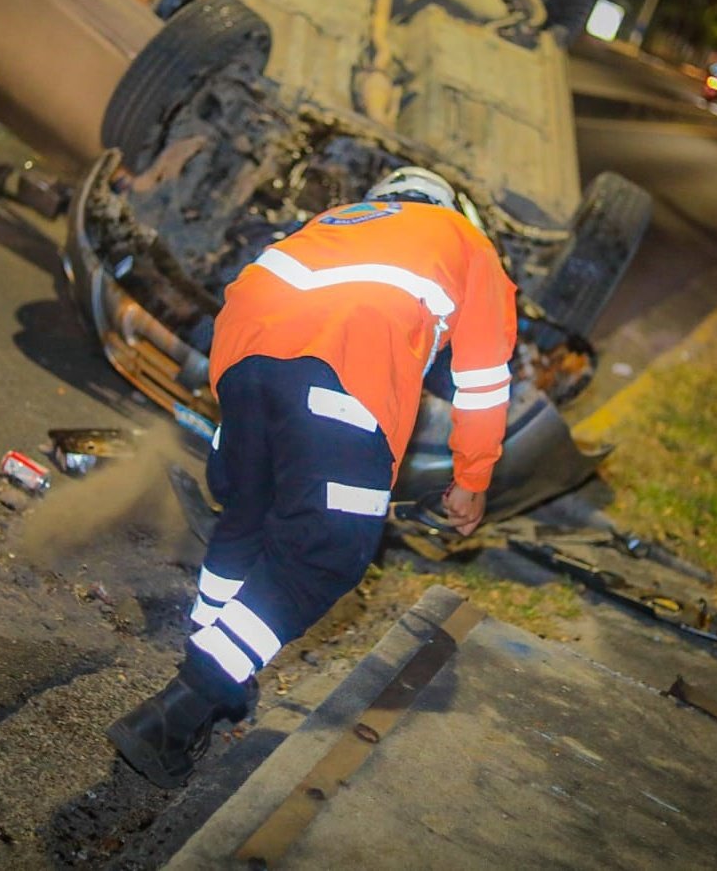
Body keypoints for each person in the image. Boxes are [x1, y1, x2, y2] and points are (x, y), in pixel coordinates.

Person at [106, 165, 518, 789]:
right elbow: (483, 378)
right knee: (321, 556)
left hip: (243, 372)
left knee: (245, 526)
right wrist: (473, 473)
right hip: (343, 381)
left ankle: (216, 663)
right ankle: (179, 710)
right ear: (453, 207)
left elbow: (248, 292)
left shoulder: (334, 222)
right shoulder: (464, 241)